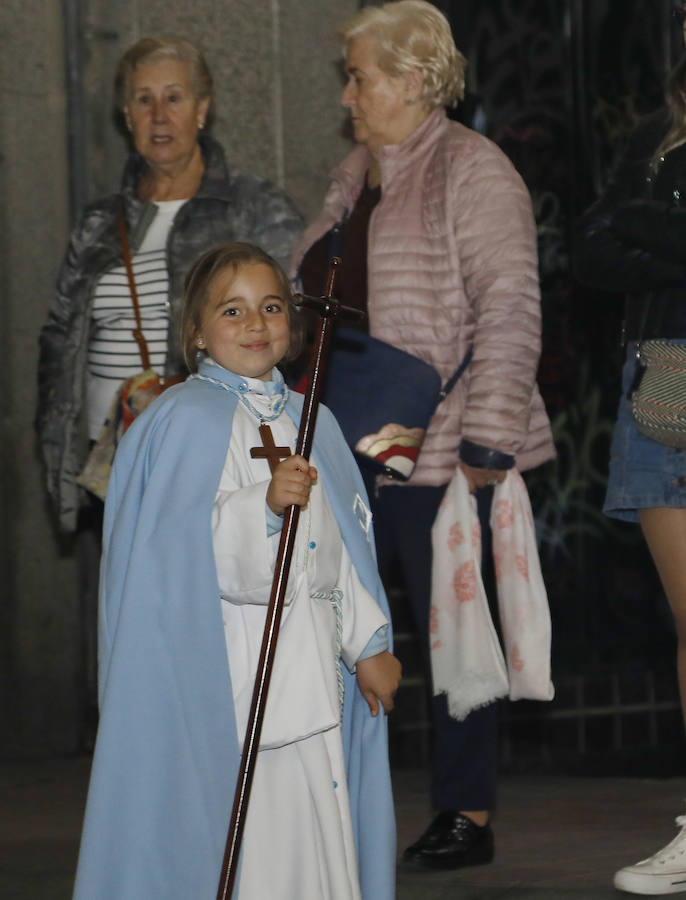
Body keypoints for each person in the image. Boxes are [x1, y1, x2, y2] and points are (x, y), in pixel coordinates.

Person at [291, 0, 555, 871]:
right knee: (347, 624)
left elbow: (511, 307)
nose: (349, 92)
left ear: (411, 79)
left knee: (454, 634)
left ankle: (466, 813)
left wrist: (487, 443)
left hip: (446, 451)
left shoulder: (473, 171)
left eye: (360, 76)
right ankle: (329, 799)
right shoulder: (357, 172)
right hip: (357, 443)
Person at [71, 242, 402, 900]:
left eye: (272, 306)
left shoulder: (317, 423)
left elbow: (338, 549)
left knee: (319, 832)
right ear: (196, 332)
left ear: (295, 323)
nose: (256, 324)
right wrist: (265, 507)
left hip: (313, 677)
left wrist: (368, 643)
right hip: (234, 683)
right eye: (233, 310)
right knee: (256, 842)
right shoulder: (178, 422)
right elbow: (180, 563)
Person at [35, 34, 303, 736]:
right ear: (126, 114)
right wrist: (58, 456)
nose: (160, 116)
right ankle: (137, 761)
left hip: (207, 455)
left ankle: (210, 759)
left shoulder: (251, 208)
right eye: (144, 100)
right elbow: (60, 338)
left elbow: (287, 319)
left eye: (175, 98)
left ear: (204, 108)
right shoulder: (100, 220)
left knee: (202, 621)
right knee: (129, 623)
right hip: (113, 463)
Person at [575, 15, 686, 894]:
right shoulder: (658, 136)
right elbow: (594, 247)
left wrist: (655, 235)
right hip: (664, 392)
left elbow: (634, 239)